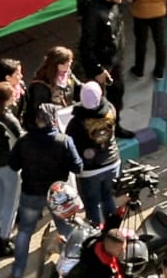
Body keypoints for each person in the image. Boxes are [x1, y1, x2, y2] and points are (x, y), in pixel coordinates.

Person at [8, 103, 83, 278]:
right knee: (66, 231)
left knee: (24, 231)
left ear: (37, 120)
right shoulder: (64, 141)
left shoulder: (24, 141)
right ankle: (69, 268)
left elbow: (13, 165)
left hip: (31, 193)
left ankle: (17, 272)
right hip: (58, 195)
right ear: (54, 120)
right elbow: (78, 167)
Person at [81, 0, 135, 138]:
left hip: (115, 61)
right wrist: (97, 70)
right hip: (101, 65)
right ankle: (95, 134)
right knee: (96, 103)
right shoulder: (94, 14)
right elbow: (86, 47)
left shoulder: (115, 5)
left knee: (117, 95)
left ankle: (115, 126)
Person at [67, 81, 121, 227]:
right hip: (112, 162)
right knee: (108, 197)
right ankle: (112, 231)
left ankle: (94, 231)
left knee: (92, 203)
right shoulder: (110, 109)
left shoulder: (76, 122)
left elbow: (69, 143)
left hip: (89, 171)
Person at [21, 46, 75, 130]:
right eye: (67, 65)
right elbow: (39, 111)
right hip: (50, 125)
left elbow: (78, 88)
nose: (69, 68)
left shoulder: (66, 74)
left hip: (66, 117)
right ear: (58, 65)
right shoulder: (40, 86)